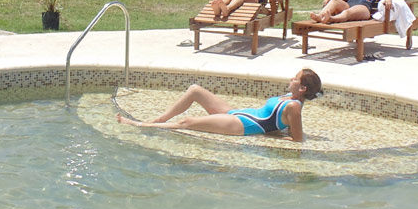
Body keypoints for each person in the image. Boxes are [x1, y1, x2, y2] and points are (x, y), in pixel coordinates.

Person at [115, 69, 322, 143]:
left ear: (302, 88)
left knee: (188, 122)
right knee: (195, 89)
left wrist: (267, 134)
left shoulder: (294, 106)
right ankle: (160, 119)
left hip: (243, 125)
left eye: (295, 78)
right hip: (239, 113)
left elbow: (297, 138)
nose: (290, 79)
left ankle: (140, 125)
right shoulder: (289, 95)